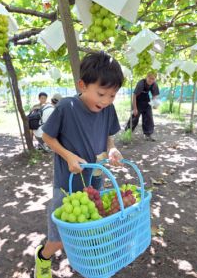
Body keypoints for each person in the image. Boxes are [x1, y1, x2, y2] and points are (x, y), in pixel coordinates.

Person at [34, 52, 125, 278]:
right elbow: (47, 137)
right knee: (59, 239)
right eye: (101, 93)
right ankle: (43, 258)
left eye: (112, 95)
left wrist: (112, 149)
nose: (105, 101)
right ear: (82, 85)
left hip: (94, 181)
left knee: (90, 227)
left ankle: (83, 264)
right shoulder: (67, 107)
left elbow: (109, 137)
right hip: (67, 184)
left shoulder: (107, 110)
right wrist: (68, 156)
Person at [124, 72, 159, 141]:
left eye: (153, 79)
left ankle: (148, 134)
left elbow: (154, 95)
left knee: (148, 117)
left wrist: (155, 104)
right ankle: (127, 133)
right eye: (150, 78)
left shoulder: (154, 84)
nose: (151, 80)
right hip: (137, 100)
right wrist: (135, 108)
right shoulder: (141, 83)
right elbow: (134, 95)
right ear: (146, 77)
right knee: (135, 117)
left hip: (146, 100)